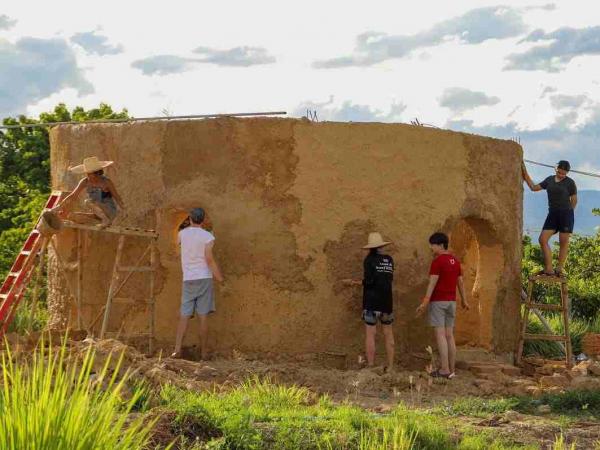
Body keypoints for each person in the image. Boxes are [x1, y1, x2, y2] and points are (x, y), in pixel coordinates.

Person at [172, 207, 224, 360]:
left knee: (184, 315)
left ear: (189, 219)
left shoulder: (182, 234)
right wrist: (220, 278)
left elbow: (178, 246)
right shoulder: (208, 237)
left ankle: (176, 350)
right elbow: (209, 259)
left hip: (188, 279)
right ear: (204, 220)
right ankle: (203, 353)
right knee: (203, 317)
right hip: (204, 279)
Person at [416, 232, 469, 379]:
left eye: (432, 245)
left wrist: (425, 301)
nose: (431, 248)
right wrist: (464, 300)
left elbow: (432, 283)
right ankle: (452, 370)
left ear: (440, 245)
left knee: (440, 335)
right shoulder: (455, 261)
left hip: (438, 301)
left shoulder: (438, 262)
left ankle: (444, 369)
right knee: (449, 335)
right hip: (452, 302)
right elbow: (460, 282)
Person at [343, 232, 395, 372]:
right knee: (388, 334)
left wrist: (353, 282)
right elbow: (387, 280)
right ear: (381, 246)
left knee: (370, 335)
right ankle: (390, 366)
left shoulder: (369, 260)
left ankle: (371, 365)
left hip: (372, 302)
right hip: (387, 303)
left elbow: (369, 282)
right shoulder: (389, 260)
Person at [522, 160, 577, 277]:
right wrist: (525, 173)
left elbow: (574, 200)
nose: (561, 175)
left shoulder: (570, 183)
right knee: (542, 239)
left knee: (563, 242)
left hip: (565, 214)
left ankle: (559, 268)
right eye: (559, 172)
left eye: (564, 173)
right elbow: (533, 187)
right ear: (555, 169)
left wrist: (568, 213)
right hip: (552, 214)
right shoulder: (549, 180)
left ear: (567, 173)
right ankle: (549, 268)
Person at [53, 156, 125, 228]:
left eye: (91, 175)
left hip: (109, 211)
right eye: (87, 174)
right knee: (72, 215)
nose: (89, 177)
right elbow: (73, 195)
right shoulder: (85, 181)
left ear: (97, 173)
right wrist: (59, 206)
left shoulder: (106, 182)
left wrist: (124, 210)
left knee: (87, 201)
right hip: (99, 213)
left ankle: (106, 220)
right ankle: (103, 220)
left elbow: (117, 197)